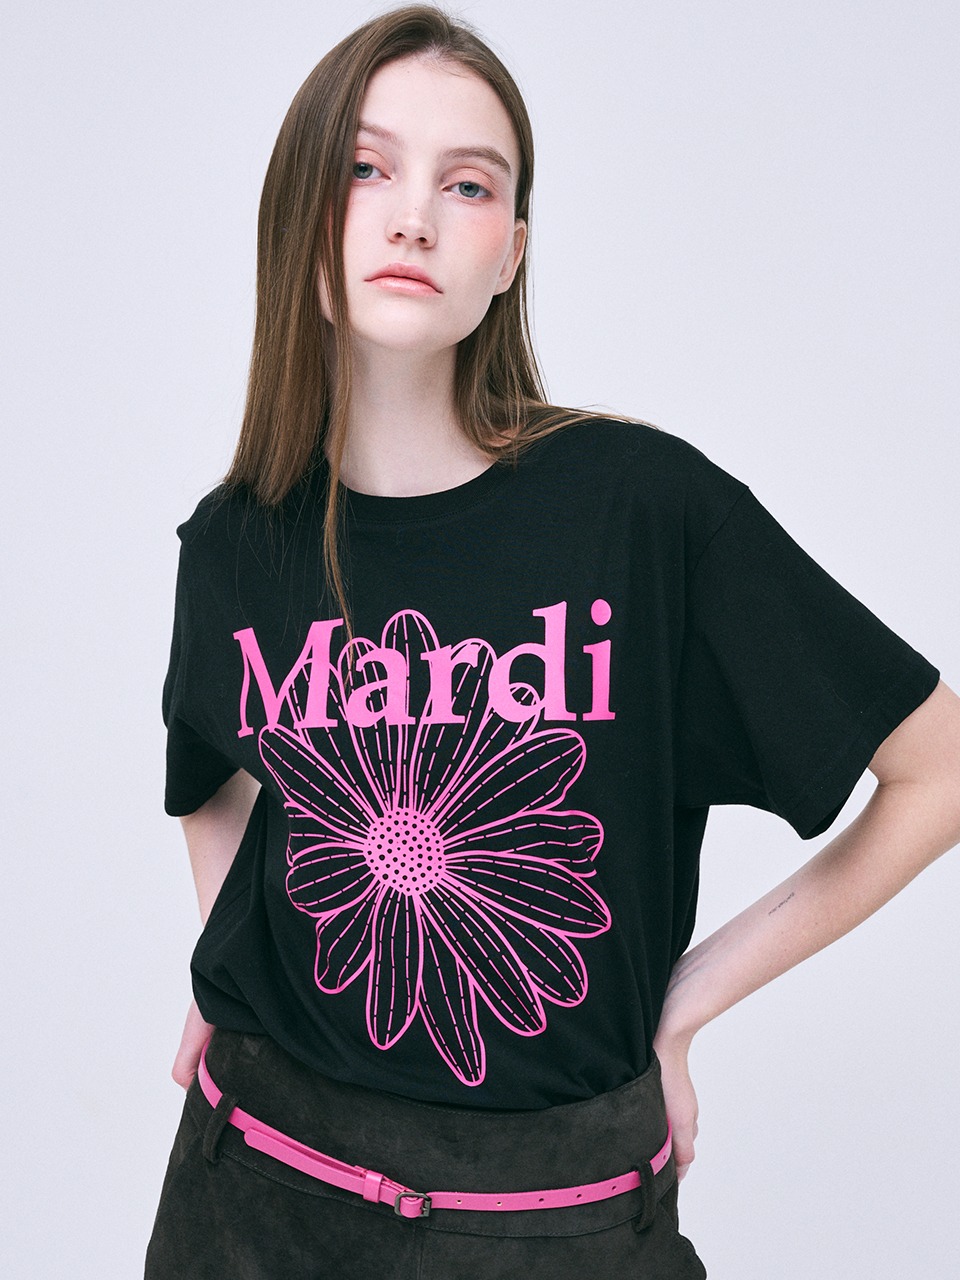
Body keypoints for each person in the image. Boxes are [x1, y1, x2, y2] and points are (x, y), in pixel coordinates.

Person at [145, 5, 960, 1277]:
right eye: (366, 167)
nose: (414, 217)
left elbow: (940, 767)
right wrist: (234, 964)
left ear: (510, 252)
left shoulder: (645, 511)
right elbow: (212, 771)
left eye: (467, 184)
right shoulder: (234, 541)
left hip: (556, 1220)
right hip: (253, 1194)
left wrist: (682, 1006)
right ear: (298, 212)